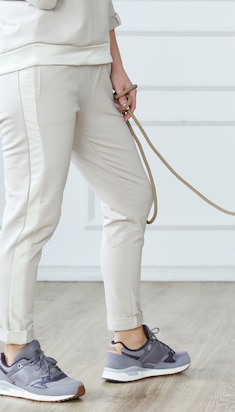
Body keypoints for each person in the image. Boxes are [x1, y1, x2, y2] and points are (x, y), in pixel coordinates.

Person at [0, 0, 190, 402]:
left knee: (131, 197)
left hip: (92, 65)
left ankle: (130, 341)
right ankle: (12, 353)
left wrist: (113, 63)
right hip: (38, 63)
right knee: (33, 213)